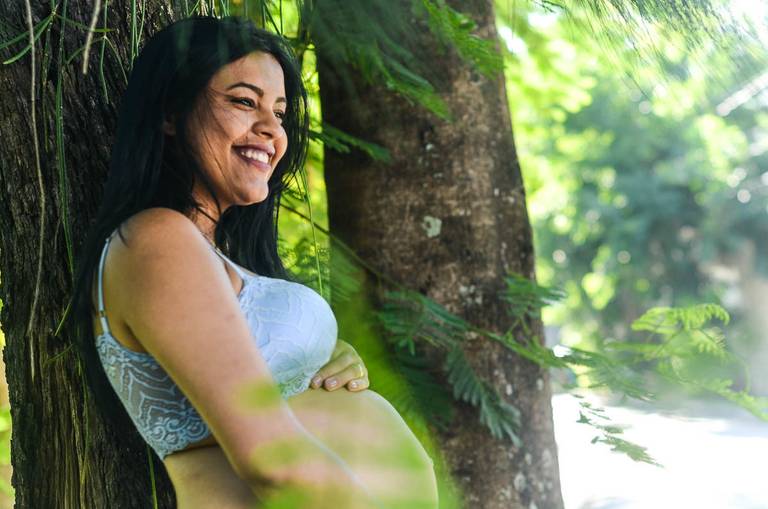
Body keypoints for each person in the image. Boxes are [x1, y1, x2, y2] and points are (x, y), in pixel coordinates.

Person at [68, 15, 438, 509]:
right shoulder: (157, 239)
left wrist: (323, 355)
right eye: (245, 101)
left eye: (280, 113)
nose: (272, 130)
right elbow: (274, 465)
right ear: (171, 113)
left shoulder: (212, 256)